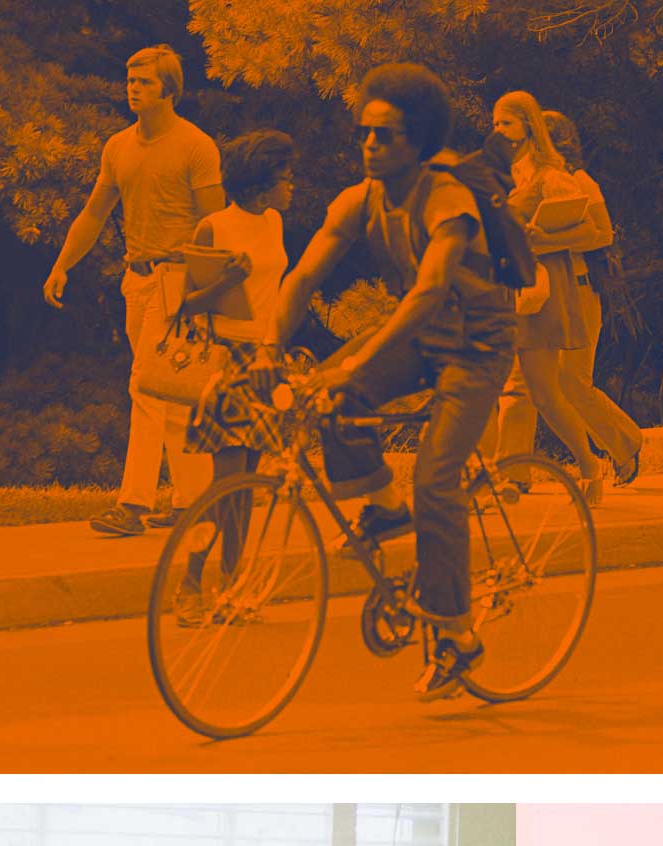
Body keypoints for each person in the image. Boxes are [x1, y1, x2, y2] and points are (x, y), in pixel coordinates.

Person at [263, 63, 519, 698]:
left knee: (436, 478)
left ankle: (458, 636)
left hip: (477, 348)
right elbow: (301, 277)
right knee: (333, 396)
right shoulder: (359, 200)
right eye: (364, 132)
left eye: (385, 135)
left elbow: (431, 289)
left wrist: (356, 355)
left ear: (420, 141)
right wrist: (270, 346)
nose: (369, 145)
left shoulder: (448, 201)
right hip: (421, 339)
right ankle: (383, 509)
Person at [42, 45, 224, 539]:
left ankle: (133, 504)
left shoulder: (195, 146)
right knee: (167, 394)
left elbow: (217, 225)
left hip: (179, 283)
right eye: (130, 79)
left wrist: (204, 292)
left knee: (145, 385)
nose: (132, 86)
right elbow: (95, 213)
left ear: (169, 89)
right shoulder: (118, 146)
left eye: (143, 80)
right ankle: (194, 503)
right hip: (137, 280)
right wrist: (62, 265)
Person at [169, 130, 297, 626]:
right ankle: (192, 583)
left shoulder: (276, 222)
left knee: (245, 489)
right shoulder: (214, 228)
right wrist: (227, 281)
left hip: (265, 361)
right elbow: (184, 305)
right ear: (261, 186)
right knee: (225, 488)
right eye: (285, 180)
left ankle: (231, 586)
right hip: (229, 363)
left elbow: (278, 290)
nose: (292, 188)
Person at [493, 109, 643, 486]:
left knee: (572, 382)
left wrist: (548, 240)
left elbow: (602, 234)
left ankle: (624, 445)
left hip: (576, 292)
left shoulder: (578, 182)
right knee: (520, 381)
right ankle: (513, 473)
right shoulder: (524, 183)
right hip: (536, 294)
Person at [486, 91, 605, 501]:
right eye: (496, 122)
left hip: (539, 298)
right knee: (513, 387)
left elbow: (591, 232)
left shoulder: (551, 174)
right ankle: (502, 477)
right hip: (511, 293)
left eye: (506, 123)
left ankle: (589, 467)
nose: (497, 130)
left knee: (545, 394)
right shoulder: (513, 171)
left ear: (528, 126)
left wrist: (543, 237)